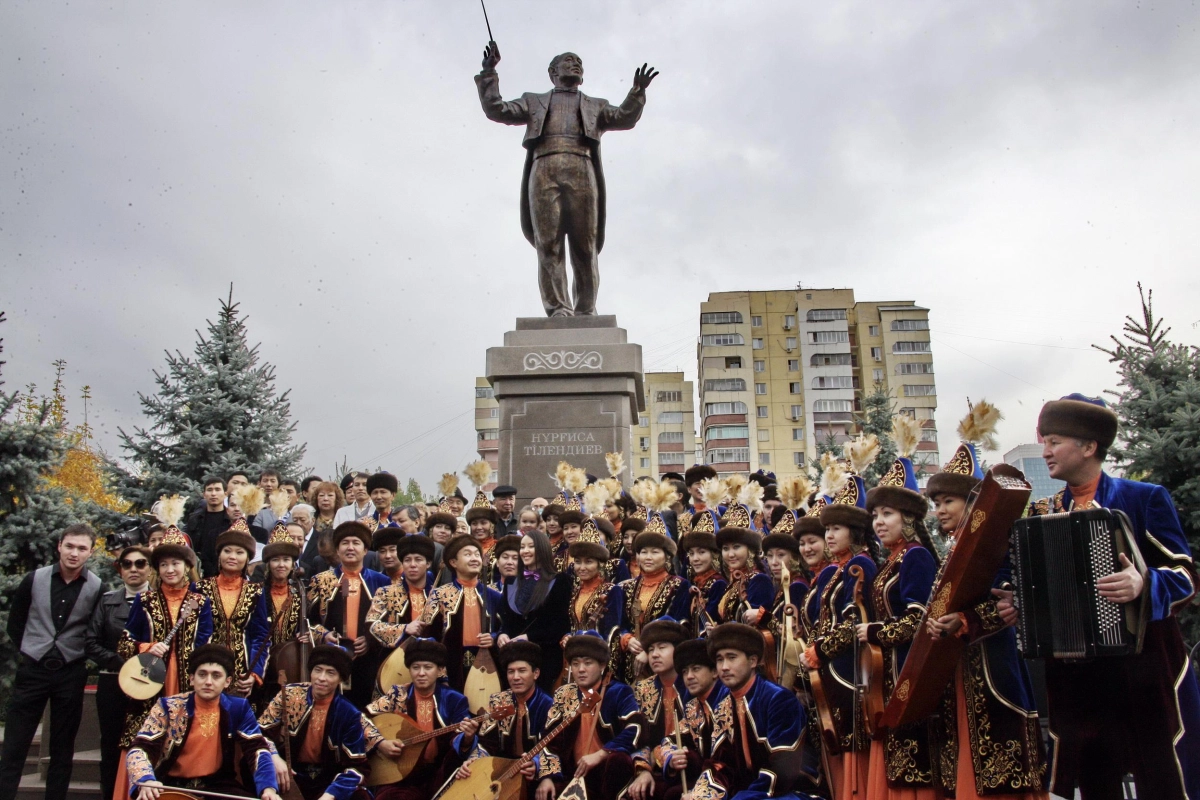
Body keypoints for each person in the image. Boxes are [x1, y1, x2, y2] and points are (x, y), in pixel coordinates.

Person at [1024, 394, 1199, 799]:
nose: (1046, 451)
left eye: (1054, 441)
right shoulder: (1044, 511)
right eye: (1044, 441)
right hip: (1080, 677)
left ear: (1089, 447)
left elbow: (1185, 576)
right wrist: (1017, 601)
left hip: (1145, 670)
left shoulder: (1143, 498)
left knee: (1162, 779)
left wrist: (1144, 584)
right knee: (1095, 781)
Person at [923, 402, 1048, 800]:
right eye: (937, 503)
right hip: (959, 669)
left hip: (995, 665)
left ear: (972, 505)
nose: (940, 510)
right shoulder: (951, 552)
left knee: (1001, 770)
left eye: (949, 502)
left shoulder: (998, 543)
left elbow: (1007, 603)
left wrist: (964, 621)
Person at [858, 440, 941, 800]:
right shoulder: (891, 561)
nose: (878, 522)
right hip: (888, 672)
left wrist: (874, 631)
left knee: (914, 758)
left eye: (887, 514)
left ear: (908, 518)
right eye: (875, 515)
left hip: (911, 672)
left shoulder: (917, 557)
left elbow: (919, 619)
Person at [0, 523, 103, 800]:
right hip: (33, 669)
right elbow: (16, 623)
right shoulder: (35, 579)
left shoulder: (96, 587)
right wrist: (32, 649)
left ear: (90, 552)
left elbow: (93, 630)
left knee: (62, 747)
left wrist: (74, 654)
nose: (74, 553)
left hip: (70, 672)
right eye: (69, 546)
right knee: (15, 744)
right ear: (59, 546)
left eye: (82, 548)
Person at [804, 475, 880, 800]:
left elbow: (853, 622)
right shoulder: (835, 569)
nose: (829, 535)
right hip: (833, 670)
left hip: (849, 669)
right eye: (827, 529)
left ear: (855, 531)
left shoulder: (860, 564)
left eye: (837, 529)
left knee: (854, 747)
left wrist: (819, 650)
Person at [125, 644, 280, 800]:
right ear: (192, 679)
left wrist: (268, 788)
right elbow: (140, 748)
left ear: (227, 681)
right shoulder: (168, 706)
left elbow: (257, 748)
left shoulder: (238, 708)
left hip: (217, 787)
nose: (208, 681)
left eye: (216, 676)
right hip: (172, 786)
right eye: (202, 674)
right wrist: (146, 780)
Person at [690, 623, 810, 800]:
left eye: (732, 658)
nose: (724, 667)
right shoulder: (723, 706)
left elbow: (783, 767)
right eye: (720, 659)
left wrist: (744, 797)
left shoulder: (778, 699)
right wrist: (701, 795)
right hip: (750, 793)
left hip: (792, 791)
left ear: (753, 661)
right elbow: (721, 765)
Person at [534, 632, 646, 800]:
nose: (580, 669)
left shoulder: (618, 692)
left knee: (619, 760)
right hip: (575, 774)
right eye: (575, 663)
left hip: (605, 772)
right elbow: (550, 740)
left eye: (587, 663)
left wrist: (601, 754)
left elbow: (636, 727)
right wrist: (547, 777)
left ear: (602, 666)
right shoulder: (564, 694)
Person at [258, 645, 369, 800]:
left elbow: (357, 767)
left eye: (330, 673)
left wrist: (330, 795)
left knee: (360, 796)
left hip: (327, 779)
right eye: (318, 670)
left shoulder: (348, 713)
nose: (321, 678)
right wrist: (274, 758)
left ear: (341, 679)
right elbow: (259, 735)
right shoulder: (289, 694)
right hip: (289, 773)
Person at [365, 639, 472, 800]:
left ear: (439, 670)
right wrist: (381, 742)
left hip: (439, 773)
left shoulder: (454, 700)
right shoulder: (397, 694)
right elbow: (361, 719)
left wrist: (467, 738)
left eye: (428, 667)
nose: (421, 673)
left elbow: (460, 742)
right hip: (400, 774)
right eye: (416, 667)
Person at [86, 544, 151, 800]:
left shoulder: (159, 601)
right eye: (127, 564)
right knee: (111, 744)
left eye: (140, 563)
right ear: (120, 569)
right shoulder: (106, 602)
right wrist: (122, 664)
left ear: (150, 568)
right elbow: (91, 642)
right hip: (113, 682)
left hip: (150, 683)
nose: (133, 569)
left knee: (146, 742)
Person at [307, 521, 391, 709]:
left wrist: (370, 639)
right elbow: (308, 623)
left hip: (369, 660)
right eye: (345, 543)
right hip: (331, 660)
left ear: (365, 550)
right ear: (337, 550)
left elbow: (392, 623)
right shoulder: (320, 582)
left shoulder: (382, 582)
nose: (350, 547)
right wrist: (324, 635)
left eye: (356, 543)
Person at [418, 536, 503, 692]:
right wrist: (440, 674)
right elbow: (428, 637)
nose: (474, 558)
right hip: (451, 665)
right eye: (467, 554)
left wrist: (494, 637)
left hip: (488, 666)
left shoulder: (495, 595)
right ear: (453, 562)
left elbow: (506, 630)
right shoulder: (439, 595)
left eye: (477, 554)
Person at [455, 641, 553, 777]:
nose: (516, 677)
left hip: (531, 773)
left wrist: (537, 766)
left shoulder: (548, 705)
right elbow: (487, 744)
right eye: (511, 672)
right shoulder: (498, 701)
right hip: (499, 770)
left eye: (522, 671)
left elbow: (553, 749)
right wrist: (474, 761)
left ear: (535, 673)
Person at [197, 517, 270, 700]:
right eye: (227, 551)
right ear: (219, 555)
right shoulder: (200, 588)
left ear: (247, 559)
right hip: (206, 670)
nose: (232, 557)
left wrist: (254, 673)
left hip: (242, 671)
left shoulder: (255, 592)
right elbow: (193, 633)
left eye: (239, 552)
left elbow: (261, 636)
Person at [497, 531, 572, 692]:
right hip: (514, 658)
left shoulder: (560, 581)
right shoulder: (510, 581)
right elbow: (506, 621)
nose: (525, 551)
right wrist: (502, 635)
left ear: (543, 549)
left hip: (545, 658)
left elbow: (560, 625)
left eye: (531, 546)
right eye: (522, 547)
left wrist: (529, 637)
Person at [617, 525, 691, 683]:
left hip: (664, 661)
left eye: (655, 552)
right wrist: (627, 639)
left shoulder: (679, 585)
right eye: (643, 552)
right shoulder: (626, 587)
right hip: (630, 660)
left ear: (667, 557)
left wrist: (650, 650)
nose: (648, 557)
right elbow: (620, 623)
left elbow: (680, 624)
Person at [626, 618, 689, 800]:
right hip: (651, 767)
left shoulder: (691, 686)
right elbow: (638, 739)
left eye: (662, 647)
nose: (654, 655)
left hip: (685, 767)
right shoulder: (641, 690)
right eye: (651, 649)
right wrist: (644, 771)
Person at [712, 527, 775, 673]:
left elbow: (754, 628)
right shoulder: (735, 582)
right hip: (731, 655)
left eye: (736, 547)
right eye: (725, 548)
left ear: (751, 551)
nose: (730, 554)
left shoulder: (759, 579)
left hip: (750, 660)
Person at [258, 524, 306, 703]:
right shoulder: (257, 592)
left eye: (286, 559)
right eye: (275, 560)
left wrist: (305, 634)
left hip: (291, 664)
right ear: (268, 564)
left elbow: (311, 623)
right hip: (263, 663)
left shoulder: (300, 592)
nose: (281, 565)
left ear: (293, 563)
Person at [367, 533, 436, 650]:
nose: (412, 565)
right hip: (395, 661)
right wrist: (404, 629)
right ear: (402, 564)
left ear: (428, 564)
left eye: (418, 560)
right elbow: (371, 625)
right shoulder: (385, 593)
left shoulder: (438, 595)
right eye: (407, 560)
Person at [566, 533, 623, 662]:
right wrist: (567, 636)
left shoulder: (611, 590)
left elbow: (612, 633)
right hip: (575, 656)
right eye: (578, 562)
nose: (582, 567)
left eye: (588, 562)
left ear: (600, 564)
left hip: (599, 658)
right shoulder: (576, 591)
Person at [679, 530, 726, 634]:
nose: (695, 559)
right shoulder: (695, 583)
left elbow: (711, 623)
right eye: (691, 553)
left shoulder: (718, 583)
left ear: (714, 555)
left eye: (701, 552)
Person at [187, 475, 232, 577]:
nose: (213, 494)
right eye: (209, 490)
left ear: (225, 494)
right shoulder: (195, 519)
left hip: (224, 571)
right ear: (204, 494)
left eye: (217, 489)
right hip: (198, 571)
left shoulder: (230, 521)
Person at [465, 494, 502, 583]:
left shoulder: (500, 547)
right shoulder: (464, 548)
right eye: (474, 523)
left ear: (491, 525)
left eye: (483, 523)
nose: (479, 527)